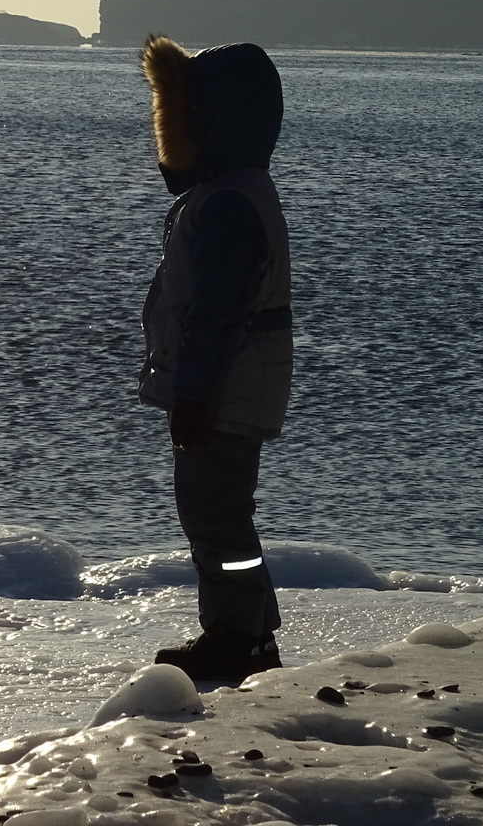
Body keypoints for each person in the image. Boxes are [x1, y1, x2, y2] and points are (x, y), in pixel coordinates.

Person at [137, 35, 294, 682]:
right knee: (223, 514)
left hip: (224, 389)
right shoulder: (234, 190)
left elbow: (213, 314)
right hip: (235, 385)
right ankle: (251, 631)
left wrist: (192, 395)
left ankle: (236, 633)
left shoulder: (229, 203)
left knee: (215, 516)